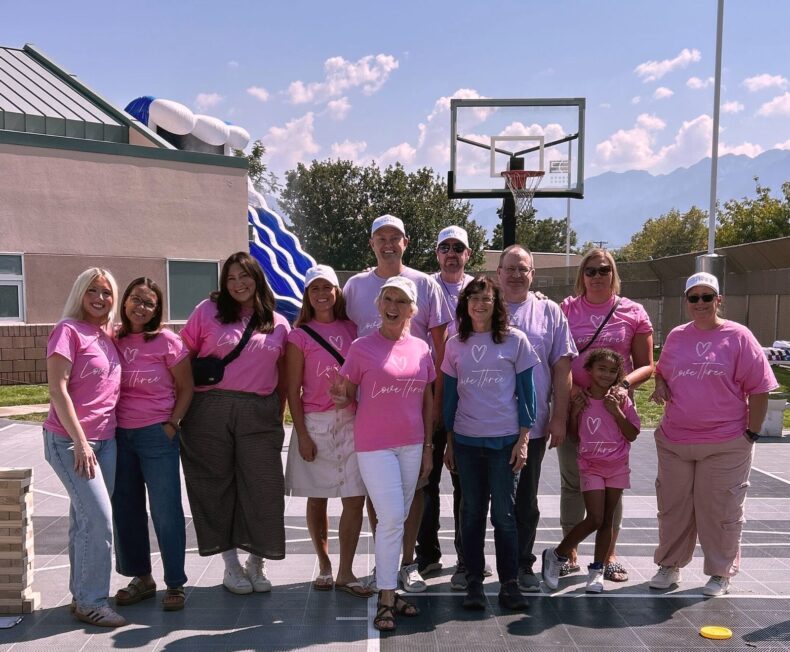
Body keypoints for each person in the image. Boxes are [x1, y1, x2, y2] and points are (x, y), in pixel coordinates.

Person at [648, 272, 777, 596]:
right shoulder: (677, 336)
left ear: (719, 300)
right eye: (694, 297)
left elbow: (760, 388)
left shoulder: (738, 336)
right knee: (673, 508)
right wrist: (660, 384)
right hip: (675, 441)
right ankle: (669, 565)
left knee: (720, 510)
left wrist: (751, 433)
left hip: (725, 443)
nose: (700, 303)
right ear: (686, 302)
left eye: (707, 297)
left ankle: (720, 572)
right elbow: (661, 371)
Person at [343, 214, 452, 592]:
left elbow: (440, 348)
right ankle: (386, 563)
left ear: (406, 242)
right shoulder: (355, 286)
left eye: (395, 238)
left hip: (414, 411)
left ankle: (407, 562)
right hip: (372, 413)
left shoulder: (426, 284)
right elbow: (338, 329)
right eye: (381, 238)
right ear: (371, 243)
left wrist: (436, 407)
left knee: (416, 490)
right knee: (381, 497)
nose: (388, 244)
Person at [179, 252, 290, 595]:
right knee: (214, 487)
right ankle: (230, 565)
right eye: (231, 278)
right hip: (208, 410)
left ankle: (257, 562)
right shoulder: (207, 311)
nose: (238, 283)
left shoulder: (279, 323)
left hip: (259, 412)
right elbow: (181, 357)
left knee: (265, 488)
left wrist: (277, 413)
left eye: (244, 276)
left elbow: (284, 377)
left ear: (257, 278)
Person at [330, 276, 435, 632]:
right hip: (374, 445)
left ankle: (389, 586)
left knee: (397, 519)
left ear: (411, 310)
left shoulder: (421, 348)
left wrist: (428, 448)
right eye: (388, 299)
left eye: (401, 301)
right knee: (391, 517)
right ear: (379, 304)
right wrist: (340, 396)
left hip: (412, 444)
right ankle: (387, 597)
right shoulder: (361, 347)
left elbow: (426, 400)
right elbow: (346, 393)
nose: (393, 306)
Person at [443, 276, 539, 610]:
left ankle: (509, 585)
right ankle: (473, 583)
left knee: (504, 515)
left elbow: (528, 394)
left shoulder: (516, 340)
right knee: (471, 514)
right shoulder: (454, 344)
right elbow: (450, 399)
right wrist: (449, 441)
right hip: (467, 443)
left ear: (497, 304)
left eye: (486, 298)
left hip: (504, 443)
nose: (479, 304)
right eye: (473, 298)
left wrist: (523, 439)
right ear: (465, 304)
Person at [559, 247, 654, 582]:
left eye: (604, 270)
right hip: (577, 410)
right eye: (591, 271)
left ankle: (608, 555)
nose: (597, 276)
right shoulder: (566, 309)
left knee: (613, 487)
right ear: (581, 276)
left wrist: (624, 386)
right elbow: (555, 356)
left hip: (613, 415)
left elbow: (647, 365)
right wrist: (573, 391)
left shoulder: (632, 311)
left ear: (613, 273)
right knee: (573, 482)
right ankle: (569, 553)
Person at [43, 268, 125, 627]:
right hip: (71, 441)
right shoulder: (67, 331)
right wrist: (79, 442)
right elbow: (57, 389)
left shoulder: (108, 335)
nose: (100, 298)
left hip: (107, 441)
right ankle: (93, 601)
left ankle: (80, 596)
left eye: (106, 292)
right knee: (100, 520)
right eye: (92, 290)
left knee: (84, 521)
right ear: (80, 292)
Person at [284, 265, 372, 598]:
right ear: (307, 295)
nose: (322, 294)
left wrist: (351, 397)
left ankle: (345, 571)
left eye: (327, 288)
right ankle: (324, 564)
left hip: (351, 421)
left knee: (355, 497)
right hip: (315, 423)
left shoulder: (353, 329)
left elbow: (363, 375)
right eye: (315, 289)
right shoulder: (299, 335)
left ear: (337, 291)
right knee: (317, 497)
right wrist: (302, 435)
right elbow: (293, 389)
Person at [496, 245, 577, 592]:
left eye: (523, 269)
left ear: (533, 274)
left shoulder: (549, 311)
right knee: (478, 501)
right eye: (510, 268)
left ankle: (521, 564)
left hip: (533, 425)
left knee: (525, 500)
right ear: (498, 273)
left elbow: (562, 368)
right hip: (485, 424)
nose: (516, 275)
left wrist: (559, 417)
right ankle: (470, 565)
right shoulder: (483, 307)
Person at [112, 277, 193, 611]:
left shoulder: (167, 341)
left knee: (165, 510)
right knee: (126, 509)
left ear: (157, 309)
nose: (141, 307)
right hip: (119, 435)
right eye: (136, 299)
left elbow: (186, 387)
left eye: (149, 303)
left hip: (157, 435)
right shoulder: (113, 338)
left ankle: (175, 582)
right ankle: (141, 578)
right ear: (125, 301)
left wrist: (172, 424)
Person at [542, 349, 640, 594]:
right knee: (595, 518)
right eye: (601, 369)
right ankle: (557, 554)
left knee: (607, 519)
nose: (606, 375)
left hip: (616, 467)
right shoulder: (582, 400)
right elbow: (575, 435)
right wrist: (575, 412)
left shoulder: (621, 401)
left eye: (612, 371)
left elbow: (632, 434)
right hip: (591, 466)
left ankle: (597, 570)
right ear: (589, 371)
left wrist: (616, 411)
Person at [416, 225, 481, 590]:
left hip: (469, 392)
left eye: (458, 247)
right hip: (429, 390)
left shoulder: (480, 288)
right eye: (445, 247)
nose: (452, 253)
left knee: (465, 481)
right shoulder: (424, 286)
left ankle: (466, 556)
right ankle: (427, 554)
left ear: (468, 254)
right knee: (426, 477)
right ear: (437, 253)